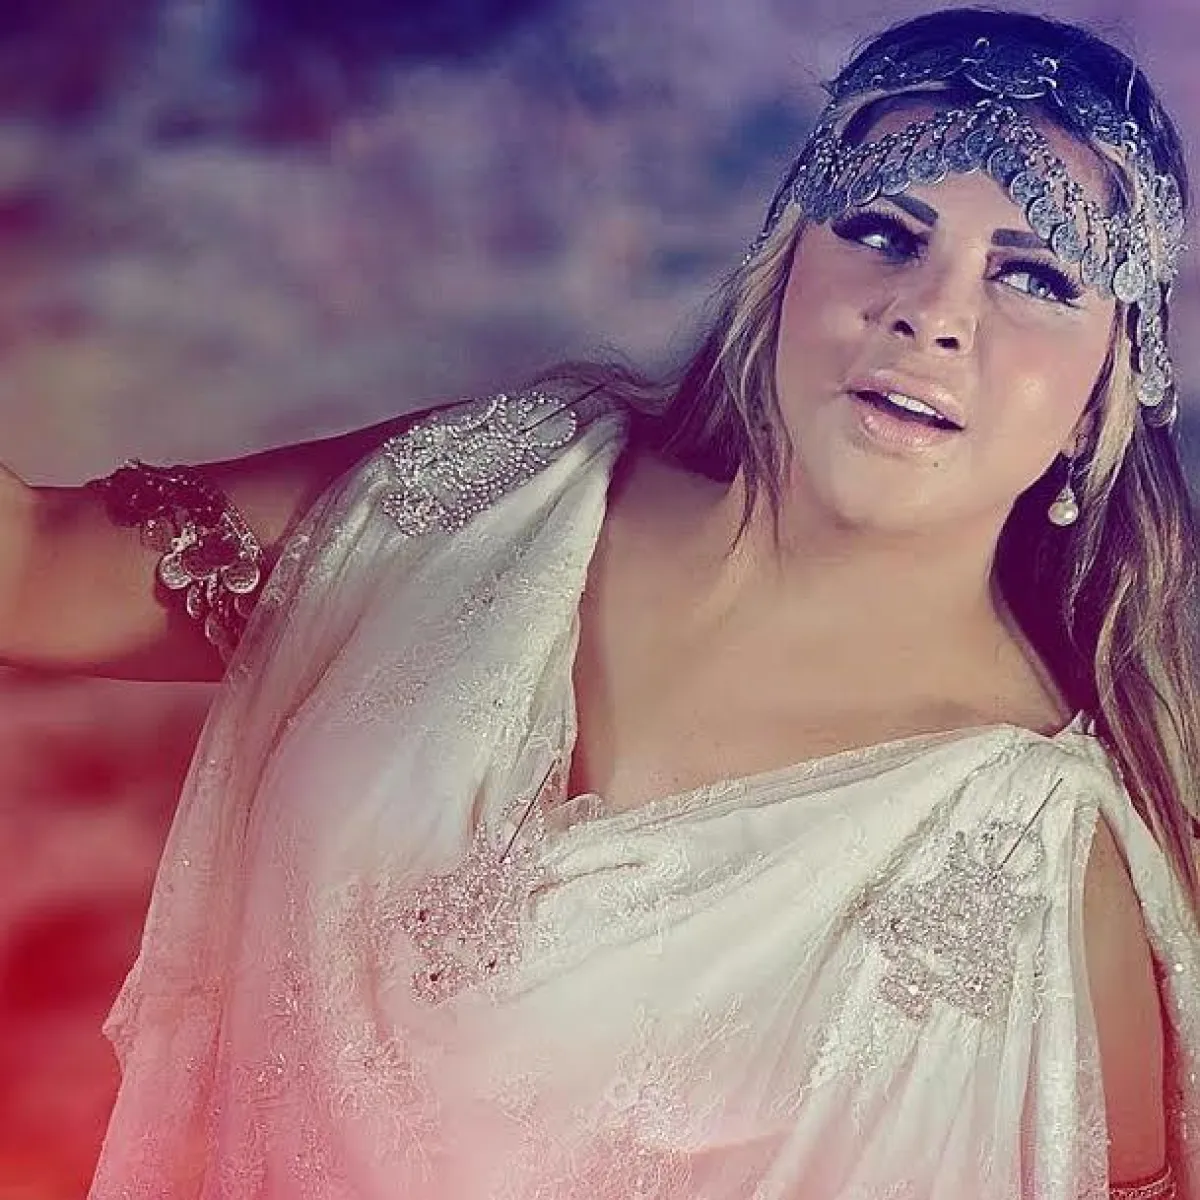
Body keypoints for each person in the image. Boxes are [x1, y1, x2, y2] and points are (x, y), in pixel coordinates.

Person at [5, 7, 1197, 1198]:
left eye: (1038, 276)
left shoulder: (1039, 871)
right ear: (787, 260)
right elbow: (31, 566)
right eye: (883, 229)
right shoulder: (499, 491)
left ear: (1108, 387)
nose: (930, 313)